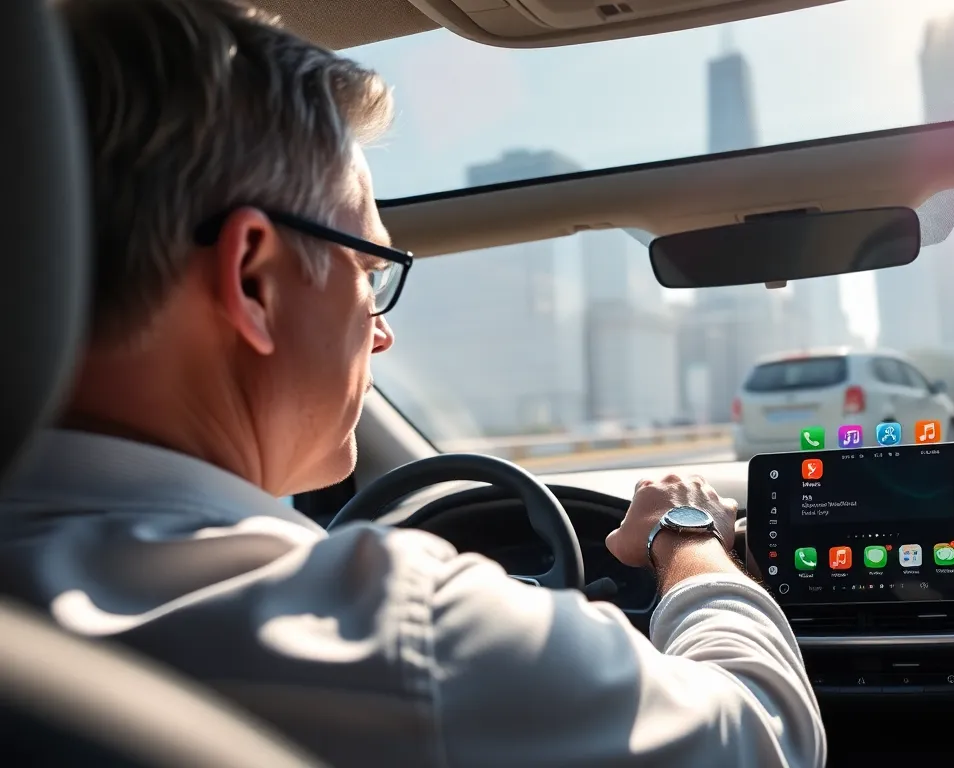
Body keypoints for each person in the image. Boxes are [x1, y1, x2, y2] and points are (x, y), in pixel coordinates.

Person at [0, 0, 825, 766]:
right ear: (253, 279)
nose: (382, 330)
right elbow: (765, 730)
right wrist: (690, 543)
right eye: (369, 270)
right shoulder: (400, 637)